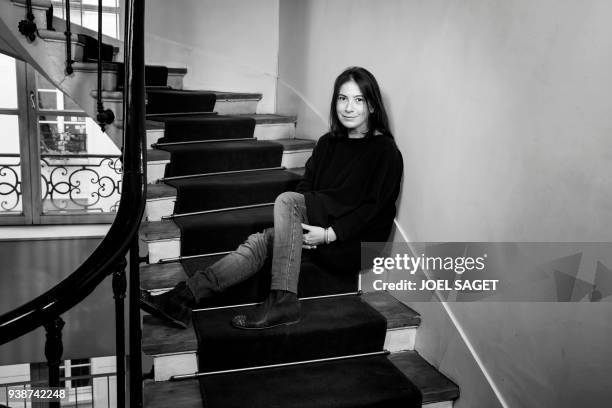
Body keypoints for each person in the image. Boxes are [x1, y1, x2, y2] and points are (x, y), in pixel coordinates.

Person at [140, 66, 403, 330]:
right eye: (342, 98)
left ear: (371, 106)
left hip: (351, 242)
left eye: (358, 100)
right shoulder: (328, 143)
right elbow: (307, 185)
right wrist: (298, 228)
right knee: (260, 240)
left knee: (286, 201)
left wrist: (328, 234)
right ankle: (184, 296)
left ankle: (283, 300)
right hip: (316, 226)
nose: (348, 107)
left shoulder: (385, 151)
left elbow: (374, 209)